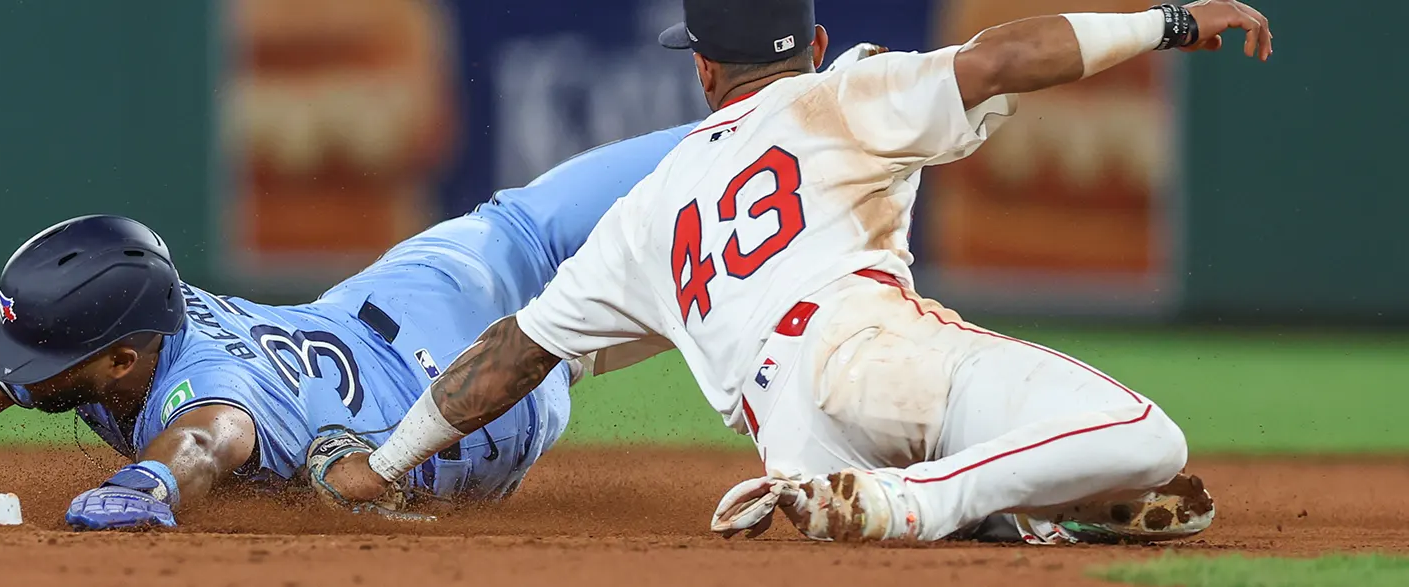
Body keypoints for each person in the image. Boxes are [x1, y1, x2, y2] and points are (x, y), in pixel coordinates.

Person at [307, 0, 1269, 544]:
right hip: (872, 349)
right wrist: (1172, 22)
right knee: (1146, 437)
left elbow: (510, 355)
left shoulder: (648, 207)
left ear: (702, 73)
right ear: (808, 47)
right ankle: (921, 503)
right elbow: (1011, 55)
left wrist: (384, 463)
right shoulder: (841, 89)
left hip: (794, 441)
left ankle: (1007, 513)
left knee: (1017, 465)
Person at [0, 120, 698, 529]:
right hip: (425, 349)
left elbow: (206, 440)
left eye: (42, 353)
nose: (18, 370)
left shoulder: (207, 389)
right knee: (619, 273)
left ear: (119, 360)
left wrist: (146, 487)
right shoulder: (110, 317)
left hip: (459, 388)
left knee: (562, 225)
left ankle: (772, 113)